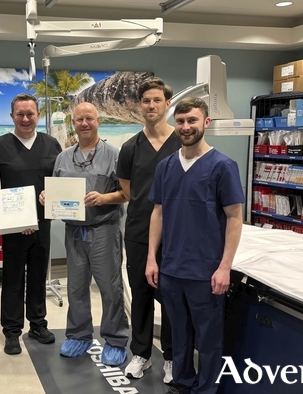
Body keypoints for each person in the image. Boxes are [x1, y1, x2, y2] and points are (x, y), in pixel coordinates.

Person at [146, 97, 243, 394]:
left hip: (206, 270)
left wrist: (225, 266)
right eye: (181, 121)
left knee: (209, 338)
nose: (186, 127)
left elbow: (235, 217)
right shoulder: (165, 167)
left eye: (192, 120)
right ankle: (182, 382)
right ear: (174, 124)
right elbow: (158, 212)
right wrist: (152, 257)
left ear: (206, 123)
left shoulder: (223, 166)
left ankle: (207, 390)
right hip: (173, 268)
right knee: (179, 334)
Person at [39, 102, 129, 366]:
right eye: (79, 119)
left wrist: (103, 198)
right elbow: (55, 191)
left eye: (89, 118)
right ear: (73, 123)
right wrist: (47, 197)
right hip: (74, 232)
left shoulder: (115, 154)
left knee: (110, 288)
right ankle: (79, 335)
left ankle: (115, 339)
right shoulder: (64, 157)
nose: (85, 123)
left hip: (105, 229)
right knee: (76, 288)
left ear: (98, 120)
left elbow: (126, 194)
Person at [0, 93, 62, 355]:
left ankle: (38, 324)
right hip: (13, 228)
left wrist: (52, 195)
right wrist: (18, 219)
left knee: (39, 276)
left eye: (30, 114)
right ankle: (12, 330)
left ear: (38, 115)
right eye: (20, 114)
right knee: (13, 278)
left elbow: (58, 184)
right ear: (12, 116)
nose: (26, 119)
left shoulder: (51, 145)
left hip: (42, 225)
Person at [118, 78, 179, 382]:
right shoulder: (130, 147)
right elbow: (129, 192)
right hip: (140, 231)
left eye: (157, 100)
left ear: (168, 104)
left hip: (178, 234)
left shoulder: (183, 142)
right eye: (146, 101)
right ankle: (141, 353)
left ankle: (171, 356)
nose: (151, 106)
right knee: (140, 294)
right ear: (140, 106)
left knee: (171, 296)